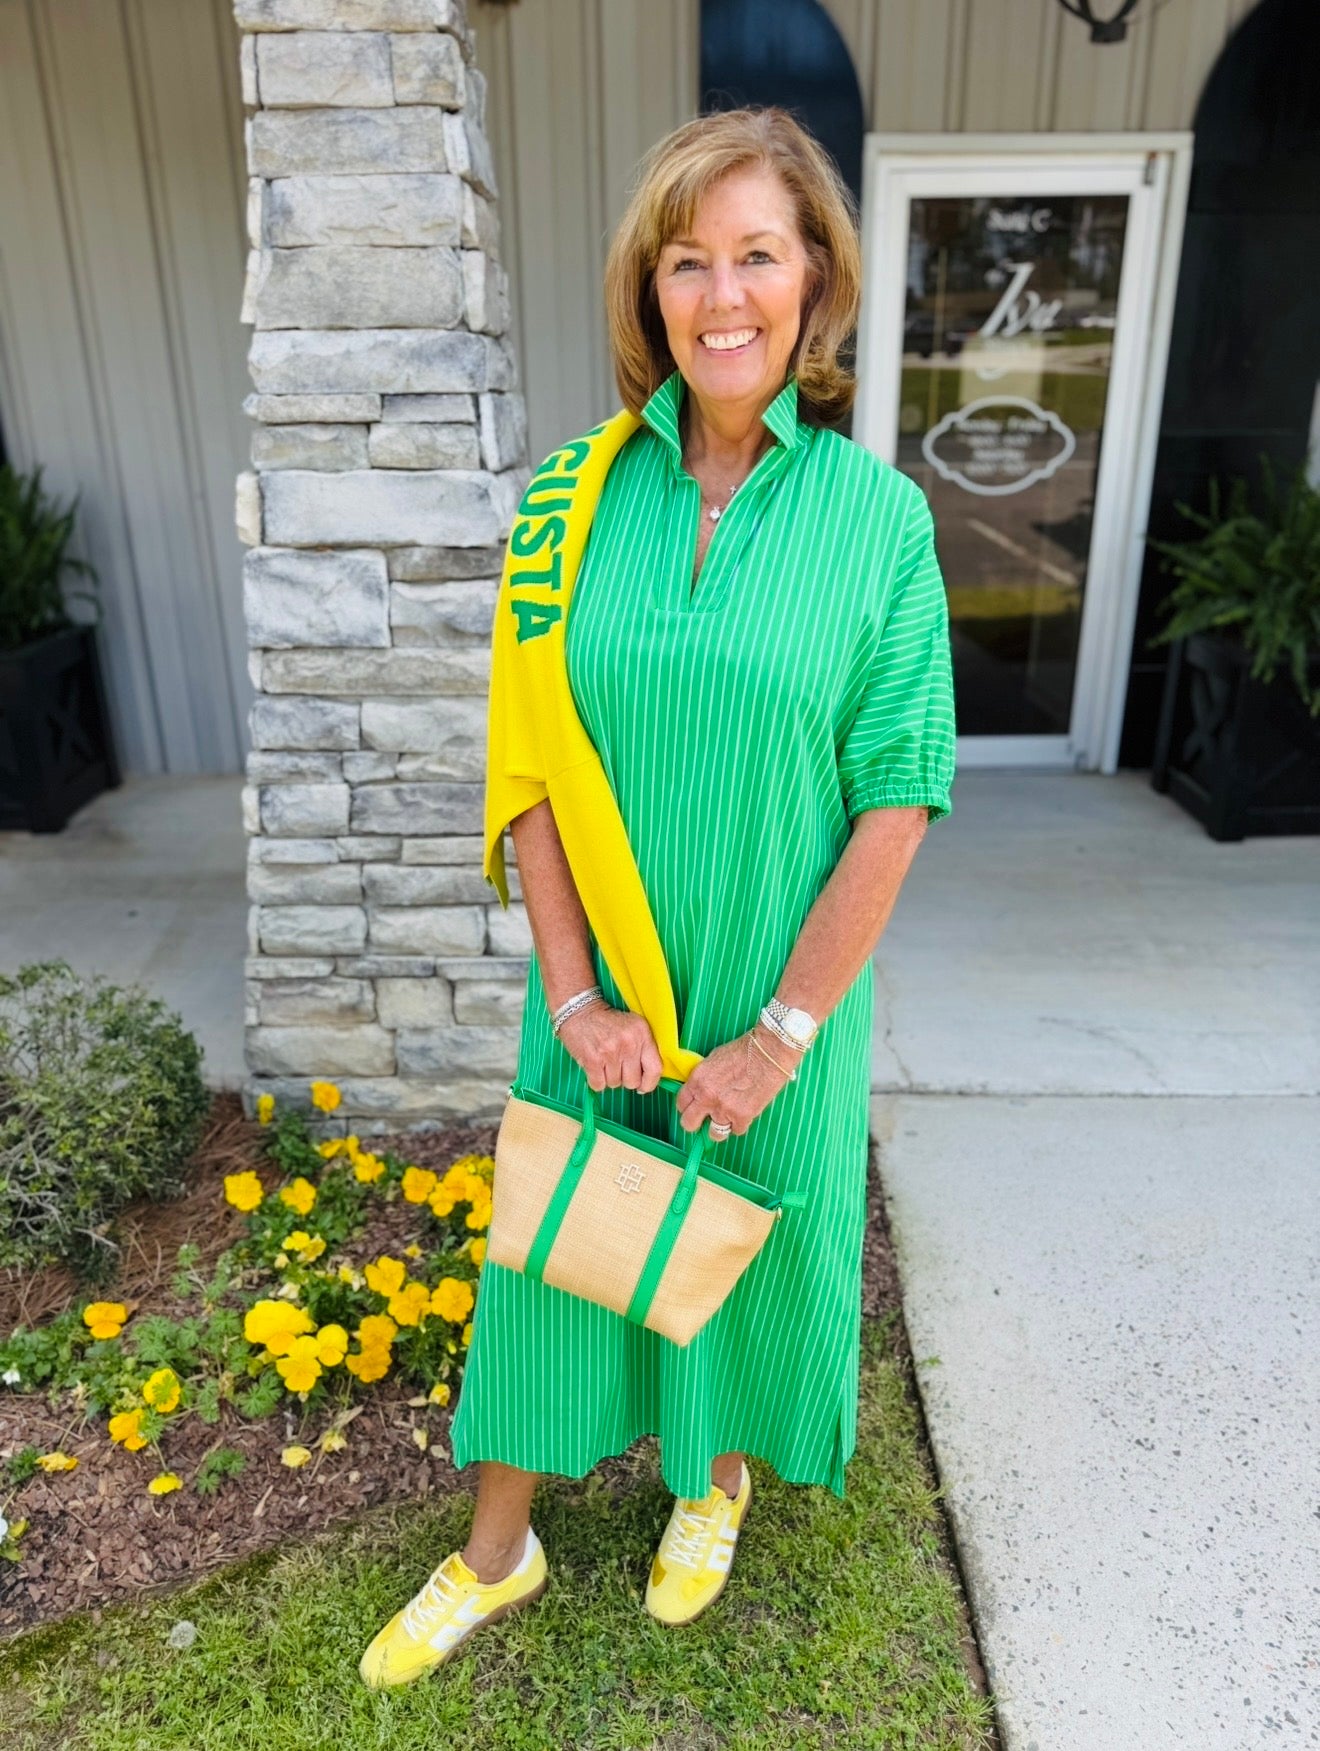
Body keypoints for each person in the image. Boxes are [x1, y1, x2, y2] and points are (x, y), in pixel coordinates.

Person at [358, 105, 956, 1691]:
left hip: (774, 986)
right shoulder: (575, 498)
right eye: (688, 261)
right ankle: (500, 1551)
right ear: (651, 291)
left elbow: (897, 800)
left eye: (758, 254)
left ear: (815, 280)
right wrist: (573, 994)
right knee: (549, 1260)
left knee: (736, 1243)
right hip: (600, 989)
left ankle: (714, 1483)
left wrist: (779, 1034)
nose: (723, 294)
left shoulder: (881, 523)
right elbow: (532, 774)